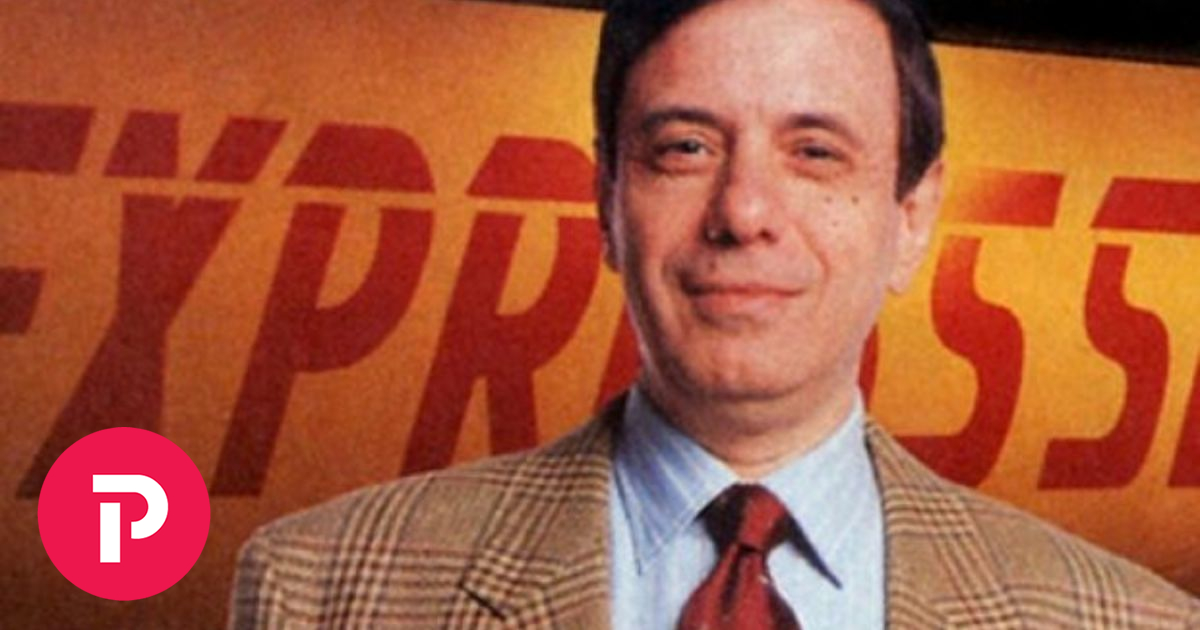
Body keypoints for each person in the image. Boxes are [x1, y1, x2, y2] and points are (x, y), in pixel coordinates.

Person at [230, 0, 1200, 627]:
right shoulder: (318, 591)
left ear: (912, 216)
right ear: (608, 202)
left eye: (815, 153)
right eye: (686, 147)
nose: (743, 211)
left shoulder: (1127, 621)